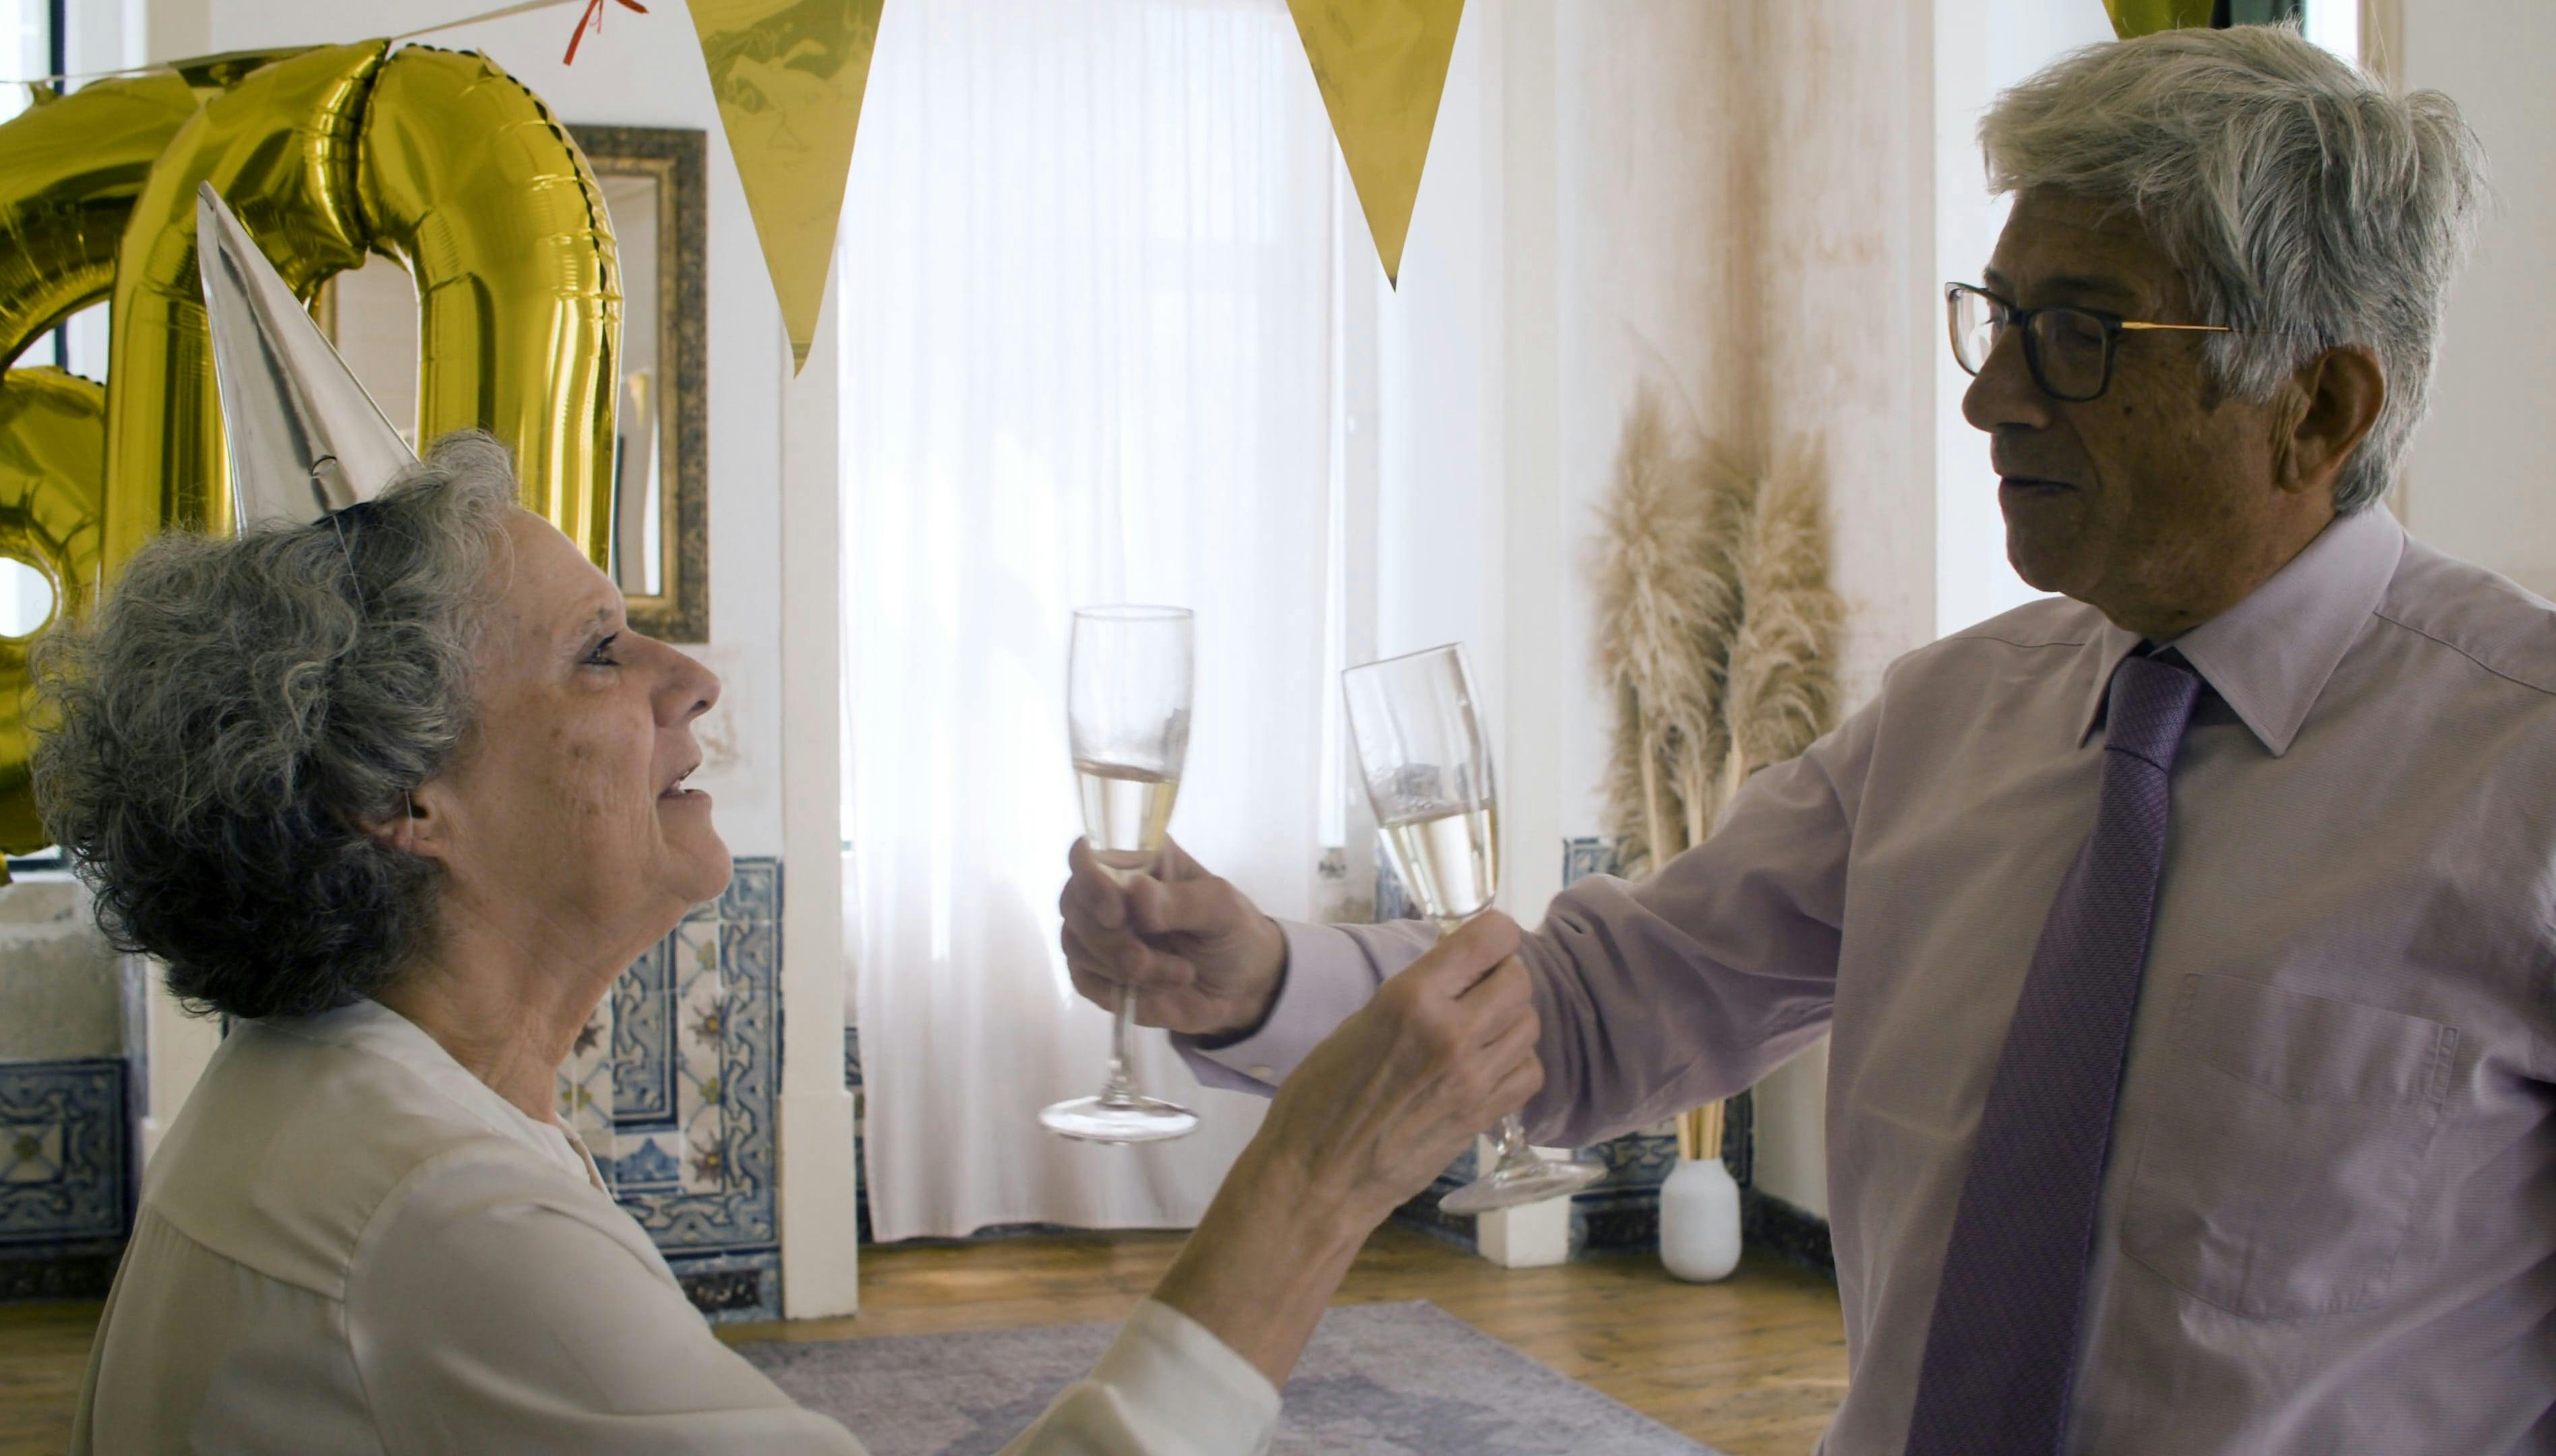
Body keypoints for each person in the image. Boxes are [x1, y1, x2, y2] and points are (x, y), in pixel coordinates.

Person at [1064, 26, 2556, 1455]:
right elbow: (1600, 1005)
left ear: (2317, 406)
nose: (1991, 398)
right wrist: (1260, 979)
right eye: (1997, 320)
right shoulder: (1947, 723)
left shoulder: (2551, 786)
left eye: (2078, 335)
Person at [39, 431, 1540, 1455]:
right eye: (597, 652)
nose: (688, 675)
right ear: (401, 800)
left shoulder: (309, 1092)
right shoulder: (440, 1218)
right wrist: (1319, 1176)